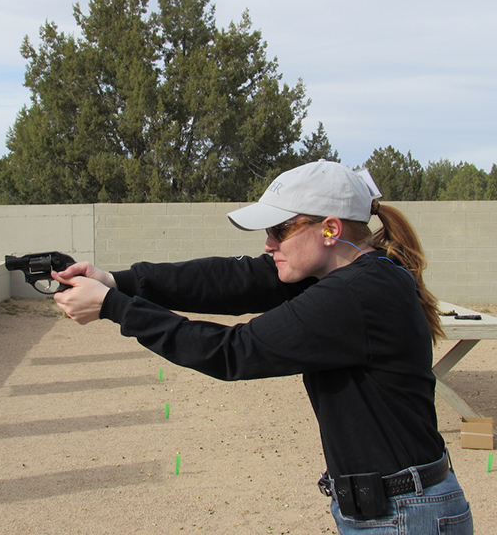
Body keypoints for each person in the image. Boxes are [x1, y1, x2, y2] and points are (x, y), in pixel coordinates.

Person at [53, 160, 473, 534]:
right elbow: (230, 279)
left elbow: (232, 351)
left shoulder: (356, 293)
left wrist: (115, 307)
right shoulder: (355, 271)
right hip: (393, 509)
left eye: (279, 230)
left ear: (330, 229)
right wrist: (118, 281)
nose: (269, 244)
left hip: (403, 515)